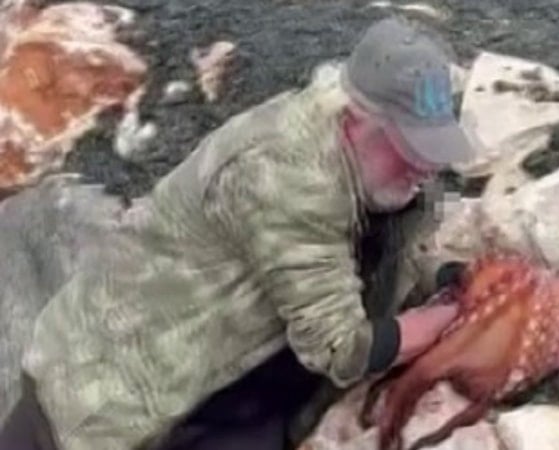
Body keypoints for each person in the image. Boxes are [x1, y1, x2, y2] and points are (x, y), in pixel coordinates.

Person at [0, 15, 476, 450]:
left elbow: (387, 251)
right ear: (355, 120)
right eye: (409, 147)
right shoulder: (287, 175)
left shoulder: (375, 167)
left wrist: (444, 278)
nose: (424, 166)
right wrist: (453, 316)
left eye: (432, 146)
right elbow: (341, 348)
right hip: (103, 407)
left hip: (233, 385)